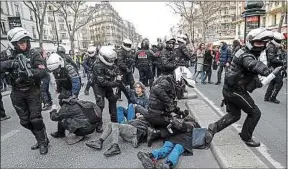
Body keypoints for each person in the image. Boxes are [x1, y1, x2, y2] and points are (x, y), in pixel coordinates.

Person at [208, 28, 275, 147]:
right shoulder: (247, 55)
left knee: (234, 115)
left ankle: (213, 128)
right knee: (255, 113)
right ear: (251, 41)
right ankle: (246, 137)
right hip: (236, 91)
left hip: (230, 88)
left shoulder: (244, 50)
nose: (261, 46)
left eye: (263, 43)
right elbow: (251, 64)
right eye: (258, 43)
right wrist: (265, 70)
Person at [0, 27, 49, 154]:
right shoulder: (7, 54)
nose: (24, 44)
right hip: (16, 92)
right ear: (14, 43)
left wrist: (29, 73)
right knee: (25, 121)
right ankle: (40, 138)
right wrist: (12, 64)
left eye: (26, 41)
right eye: (21, 42)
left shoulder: (34, 54)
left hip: (32, 90)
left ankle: (43, 142)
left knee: (36, 119)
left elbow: (43, 71)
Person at [143, 73, 190, 147]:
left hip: (154, 114)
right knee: (179, 127)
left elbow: (171, 106)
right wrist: (168, 101)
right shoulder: (167, 82)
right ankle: (155, 133)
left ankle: (155, 130)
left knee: (172, 122)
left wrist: (180, 112)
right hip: (157, 115)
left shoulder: (168, 83)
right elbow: (156, 89)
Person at [46, 53, 81, 138]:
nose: (55, 72)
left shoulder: (69, 68)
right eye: (53, 71)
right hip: (64, 90)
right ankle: (61, 132)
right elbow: (58, 80)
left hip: (71, 89)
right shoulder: (55, 69)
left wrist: (74, 94)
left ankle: (76, 130)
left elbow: (76, 81)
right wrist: (58, 89)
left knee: (69, 110)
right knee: (62, 110)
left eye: (56, 70)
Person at [86, 114, 151, 157]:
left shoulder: (151, 118)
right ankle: (99, 142)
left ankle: (115, 147)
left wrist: (142, 116)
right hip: (130, 131)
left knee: (115, 125)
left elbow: (150, 125)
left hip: (135, 133)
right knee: (110, 123)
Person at [91, 46, 122, 132]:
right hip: (98, 86)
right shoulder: (97, 66)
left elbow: (117, 70)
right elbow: (102, 82)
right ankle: (99, 124)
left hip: (109, 84)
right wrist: (116, 83)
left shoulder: (111, 63)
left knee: (113, 100)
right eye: (109, 59)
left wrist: (118, 76)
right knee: (100, 105)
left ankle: (114, 120)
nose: (111, 61)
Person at [264, 32, 286, 104]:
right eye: (280, 41)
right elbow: (272, 59)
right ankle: (272, 97)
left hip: (274, 66)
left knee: (273, 82)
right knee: (279, 82)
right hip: (273, 67)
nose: (281, 42)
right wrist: (281, 61)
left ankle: (267, 97)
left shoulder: (274, 46)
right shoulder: (271, 47)